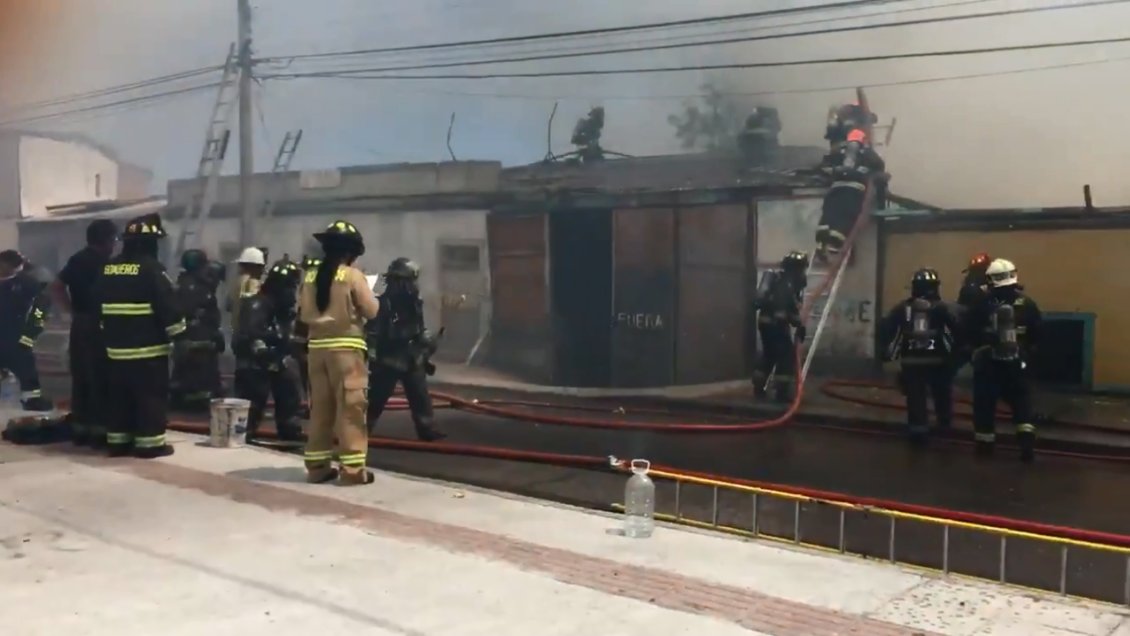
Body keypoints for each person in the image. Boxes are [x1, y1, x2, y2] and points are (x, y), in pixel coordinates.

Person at [93, 213, 186, 458]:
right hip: (148, 351)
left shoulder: (109, 268)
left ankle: (118, 442)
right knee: (150, 399)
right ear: (149, 243)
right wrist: (180, 335)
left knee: (119, 399)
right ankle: (150, 445)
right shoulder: (151, 269)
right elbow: (168, 306)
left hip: (115, 350)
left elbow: (96, 305)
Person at [297, 220, 379, 485]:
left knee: (321, 409)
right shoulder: (353, 276)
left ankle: (317, 467)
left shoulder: (309, 276)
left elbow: (302, 313)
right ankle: (353, 471)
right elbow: (371, 310)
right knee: (351, 409)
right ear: (350, 251)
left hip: (316, 351)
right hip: (346, 351)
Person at [964, 258, 1042, 462]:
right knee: (1022, 405)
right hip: (1017, 364)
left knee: (984, 406)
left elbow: (968, 331)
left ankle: (985, 447)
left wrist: (973, 352)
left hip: (989, 364)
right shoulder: (1028, 304)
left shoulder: (982, 303)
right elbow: (1038, 336)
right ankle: (1026, 446)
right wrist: (1028, 358)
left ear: (990, 280)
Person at [51, 219, 118, 444]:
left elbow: (57, 286)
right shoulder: (106, 264)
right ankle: (99, 431)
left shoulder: (76, 259)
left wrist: (70, 312)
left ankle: (81, 428)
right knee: (100, 376)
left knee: (80, 375)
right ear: (107, 240)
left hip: (80, 324)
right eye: (113, 239)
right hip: (100, 324)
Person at [366, 257, 446, 442]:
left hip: (411, 358)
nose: (412, 285)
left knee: (420, 396)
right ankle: (362, 430)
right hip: (388, 360)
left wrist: (427, 341)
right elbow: (372, 332)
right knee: (375, 399)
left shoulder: (414, 303)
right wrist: (372, 357)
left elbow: (418, 327)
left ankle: (427, 428)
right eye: (409, 281)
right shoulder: (383, 304)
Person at [879, 268, 959, 446]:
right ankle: (944, 427)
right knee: (942, 394)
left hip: (912, 362)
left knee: (916, 398)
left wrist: (884, 353)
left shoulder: (902, 308)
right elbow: (956, 331)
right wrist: (956, 357)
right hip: (939, 362)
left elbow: (886, 329)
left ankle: (918, 432)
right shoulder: (942, 308)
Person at [233, 259, 305, 443]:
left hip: (275, 359)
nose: (291, 293)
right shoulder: (257, 304)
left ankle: (289, 427)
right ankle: (244, 431)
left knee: (290, 384)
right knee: (253, 397)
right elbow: (251, 334)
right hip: (254, 361)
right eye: (289, 287)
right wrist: (271, 343)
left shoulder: (282, 310)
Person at [815, 128, 888, 262]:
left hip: (835, 188)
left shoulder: (838, 151)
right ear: (863, 140)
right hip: (853, 190)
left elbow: (822, 166)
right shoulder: (867, 153)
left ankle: (821, 242)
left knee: (829, 213)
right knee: (847, 215)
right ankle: (836, 244)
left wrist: (834, 171)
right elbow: (879, 167)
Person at [170, 249, 225, 411]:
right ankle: (195, 402)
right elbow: (198, 314)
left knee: (185, 372)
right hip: (197, 340)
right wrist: (213, 336)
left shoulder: (183, 283)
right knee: (198, 374)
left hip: (189, 339)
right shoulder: (195, 288)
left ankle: (184, 398)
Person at [751, 250, 808, 403]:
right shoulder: (788, 283)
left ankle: (758, 388)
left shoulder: (777, 279)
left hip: (764, 323)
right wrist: (799, 325)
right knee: (786, 357)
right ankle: (781, 393)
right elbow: (789, 308)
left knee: (769, 355)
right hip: (778, 325)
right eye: (802, 268)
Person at [0, 250, 53, 411]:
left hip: (17, 337)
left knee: (25, 369)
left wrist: (30, 335)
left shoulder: (28, 284)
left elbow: (40, 311)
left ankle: (32, 400)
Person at [227, 246, 266, 332]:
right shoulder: (251, 282)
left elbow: (228, 305)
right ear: (254, 267)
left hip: (237, 332)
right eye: (260, 267)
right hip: (250, 334)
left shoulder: (237, 282)